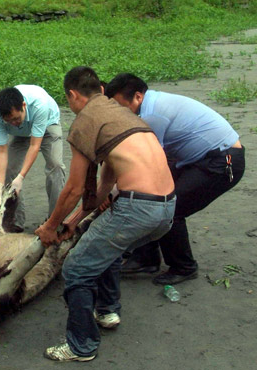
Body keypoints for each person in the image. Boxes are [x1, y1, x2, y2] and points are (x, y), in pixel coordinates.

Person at [35, 66, 175, 362]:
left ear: (73, 95)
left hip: (137, 207)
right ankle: (107, 311)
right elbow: (107, 183)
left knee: (75, 269)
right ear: (100, 88)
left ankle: (80, 346)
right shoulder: (122, 115)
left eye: (68, 100)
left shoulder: (86, 120)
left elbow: (73, 188)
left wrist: (50, 226)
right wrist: (73, 223)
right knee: (106, 247)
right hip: (167, 208)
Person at [105, 73, 245, 285]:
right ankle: (146, 258)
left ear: (137, 97)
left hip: (222, 162)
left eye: (120, 106)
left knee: (169, 208)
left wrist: (116, 189)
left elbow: (150, 161)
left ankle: (184, 266)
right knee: (151, 198)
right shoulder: (150, 103)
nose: (119, 113)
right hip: (198, 160)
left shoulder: (152, 115)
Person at [0, 85, 66, 232]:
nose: (14, 122)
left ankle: (54, 221)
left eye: (16, 118)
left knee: (55, 166)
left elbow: (34, 146)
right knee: (9, 170)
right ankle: (15, 222)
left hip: (47, 123)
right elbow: (1, 151)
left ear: (23, 106)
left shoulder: (40, 105)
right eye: (9, 121)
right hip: (21, 133)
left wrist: (21, 177)